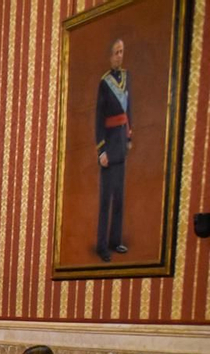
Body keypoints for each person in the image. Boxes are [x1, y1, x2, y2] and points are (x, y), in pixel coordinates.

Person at [95, 38, 132, 263]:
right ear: (110, 56)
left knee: (119, 197)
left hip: (121, 143)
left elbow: (130, 108)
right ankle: (101, 245)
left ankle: (114, 239)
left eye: (121, 51)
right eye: (116, 52)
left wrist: (129, 134)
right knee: (105, 199)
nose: (119, 55)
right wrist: (101, 150)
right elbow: (99, 118)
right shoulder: (104, 83)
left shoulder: (127, 79)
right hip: (109, 145)